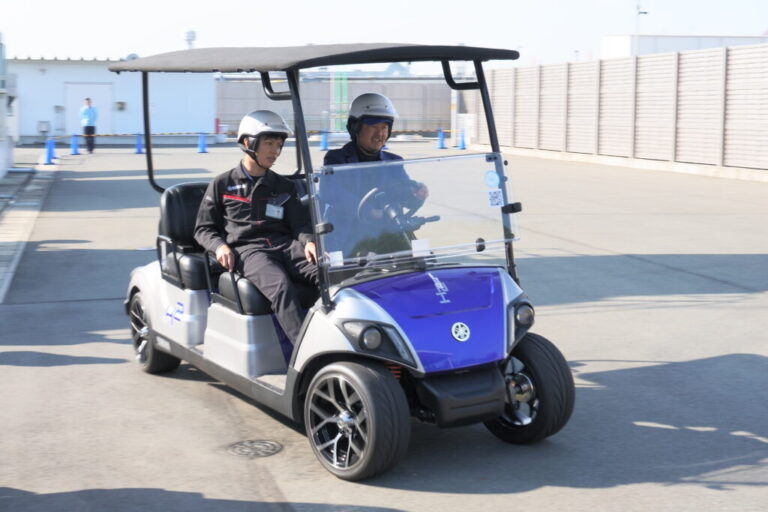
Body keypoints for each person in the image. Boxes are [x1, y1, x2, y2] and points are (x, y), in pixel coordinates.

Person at [194, 110, 317, 345]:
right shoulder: (222, 184)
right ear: (247, 143)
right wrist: (219, 247)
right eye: (269, 143)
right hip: (249, 251)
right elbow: (203, 229)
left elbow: (299, 224)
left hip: (284, 245)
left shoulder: (283, 185)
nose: (275, 151)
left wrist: (309, 241)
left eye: (278, 145)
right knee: (281, 287)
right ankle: (307, 351)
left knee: (328, 273)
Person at [322, 93, 428, 255]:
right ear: (355, 127)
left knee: (420, 261)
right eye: (373, 127)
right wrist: (369, 212)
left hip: (386, 233)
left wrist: (416, 195)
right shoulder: (336, 159)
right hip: (348, 236)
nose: (380, 134)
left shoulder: (394, 162)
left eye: (384, 127)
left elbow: (404, 195)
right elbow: (333, 193)